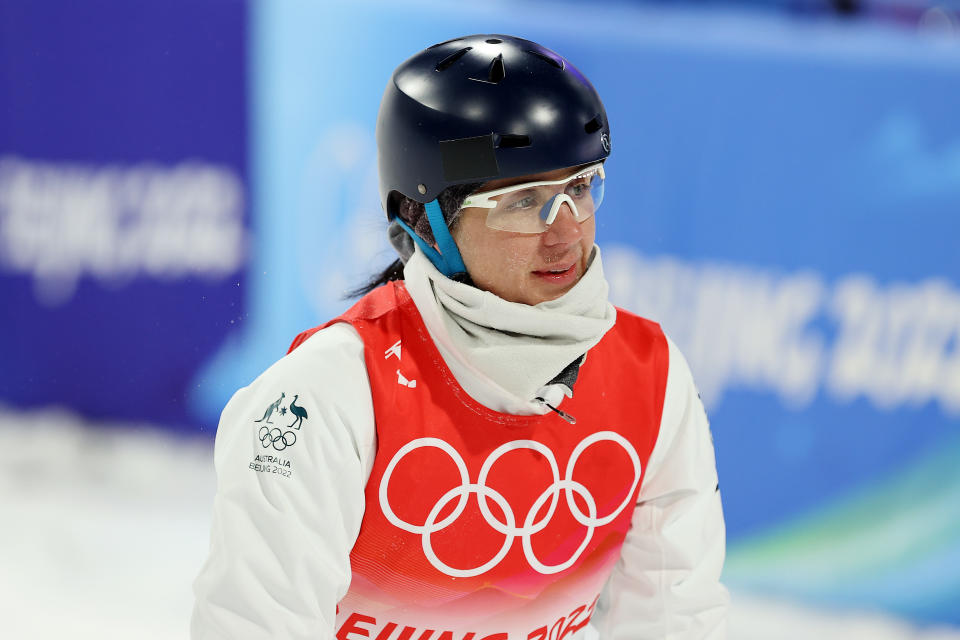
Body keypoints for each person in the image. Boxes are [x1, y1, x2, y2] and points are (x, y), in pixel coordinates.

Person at [192, 34, 728, 639]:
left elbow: (673, 620)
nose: (565, 231)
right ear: (427, 223)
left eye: (578, 188)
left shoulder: (650, 377)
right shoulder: (325, 398)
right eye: (521, 201)